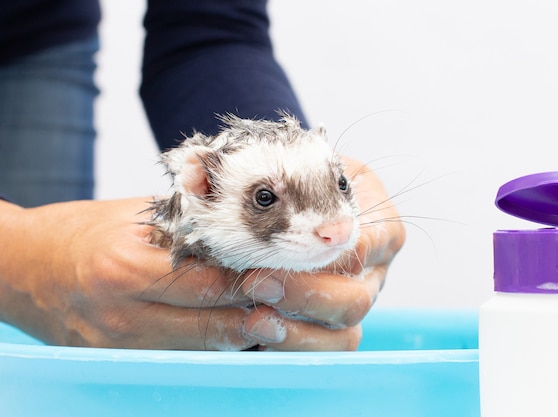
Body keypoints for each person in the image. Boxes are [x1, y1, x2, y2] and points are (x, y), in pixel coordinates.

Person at [0, 0, 405, 350]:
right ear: (203, 185)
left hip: (35, 26)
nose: (333, 227)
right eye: (265, 198)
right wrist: (27, 260)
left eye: (340, 186)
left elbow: (209, 26)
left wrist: (275, 152)